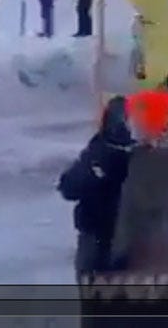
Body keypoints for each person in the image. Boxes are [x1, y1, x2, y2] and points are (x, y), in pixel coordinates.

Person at [58, 96, 135, 284]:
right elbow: (69, 187)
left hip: (108, 237)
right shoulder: (103, 152)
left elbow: (69, 187)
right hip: (119, 237)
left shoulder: (103, 153)